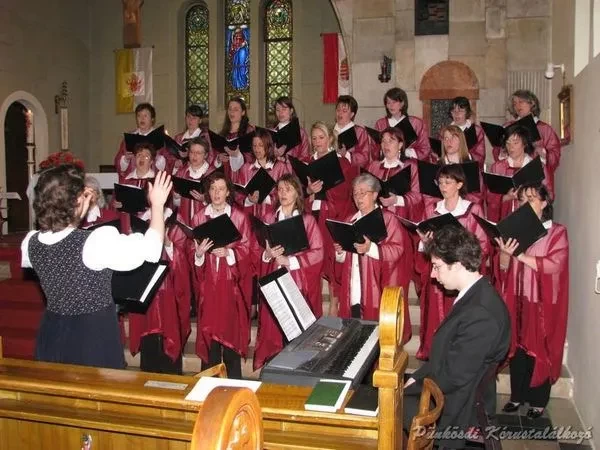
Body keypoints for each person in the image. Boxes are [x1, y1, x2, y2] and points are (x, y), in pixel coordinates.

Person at [21, 165, 173, 369]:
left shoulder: (30, 242)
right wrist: (157, 205)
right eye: (83, 195)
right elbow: (152, 250)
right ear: (76, 202)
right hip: (91, 337)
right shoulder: (95, 242)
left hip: (51, 333)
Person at [403, 225, 510, 449]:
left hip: (459, 409)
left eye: (437, 267)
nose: (433, 274)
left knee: (388, 409)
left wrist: (411, 388)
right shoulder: (475, 295)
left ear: (458, 264)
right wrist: (417, 376)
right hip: (454, 392)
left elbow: (454, 376)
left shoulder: (481, 313)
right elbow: (448, 355)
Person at [495, 183, 568, 419]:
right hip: (517, 298)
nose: (525, 204)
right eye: (522, 199)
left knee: (539, 349)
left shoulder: (556, 232)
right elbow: (503, 269)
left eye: (532, 199)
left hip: (541, 302)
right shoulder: (514, 230)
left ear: (544, 203)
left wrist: (521, 256)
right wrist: (504, 254)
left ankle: (537, 401)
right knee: (517, 349)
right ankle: (516, 396)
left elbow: (555, 264)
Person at [414, 164, 490, 360]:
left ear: (459, 184)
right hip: (438, 275)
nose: (443, 186)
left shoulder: (473, 210)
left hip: (462, 274)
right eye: (440, 182)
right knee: (436, 318)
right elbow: (423, 248)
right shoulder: (432, 210)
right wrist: (425, 242)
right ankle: (436, 356)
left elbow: (483, 244)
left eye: (448, 182)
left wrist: (460, 255)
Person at [182, 171, 253, 379]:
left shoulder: (239, 218)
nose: (216, 193)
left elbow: (248, 249)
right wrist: (198, 254)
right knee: (209, 341)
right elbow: (189, 249)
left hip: (231, 288)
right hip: (208, 287)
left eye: (221, 189)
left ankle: (234, 386)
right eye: (213, 189)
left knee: (230, 343)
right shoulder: (199, 217)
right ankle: (208, 387)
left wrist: (229, 253)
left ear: (228, 192)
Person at [254, 174, 324, 369]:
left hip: (298, 283)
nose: (283, 193)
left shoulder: (307, 220)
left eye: (288, 189)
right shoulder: (269, 219)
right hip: (273, 283)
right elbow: (256, 250)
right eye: (280, 189)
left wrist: (290, 261)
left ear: (297, 193)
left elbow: (318, 252)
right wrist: (267, 254)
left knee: (296, 336)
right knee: (274, 331)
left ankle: (298, 375)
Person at [333, 174, 408, 341]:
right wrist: (340, 251)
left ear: (374, 194)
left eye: (362, 193)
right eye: (355, 193)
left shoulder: (388, 219)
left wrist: (371, 248)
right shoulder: (349, 220)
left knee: (376, 339)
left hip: (377, 287)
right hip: (353, 287)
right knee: (352, 336)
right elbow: (343, 259)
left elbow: (397, 250)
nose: (358, 197)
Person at [305, 121, 357, 317]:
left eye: (321, 137)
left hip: (333, 214)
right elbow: (298, 192)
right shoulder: (307, 162)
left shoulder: (342, 162)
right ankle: (313, 305)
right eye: (314, 138)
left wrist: (325, 190)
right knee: (313, 259)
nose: (317, 141)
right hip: (312, 216)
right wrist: (309, 191)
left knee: (332, 261)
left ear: (330, 139)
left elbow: (347, 192)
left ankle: (334, 305)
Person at [492, 90, 561, 189]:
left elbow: (555, 155)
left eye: (521, 102)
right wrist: (501, 152)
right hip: (510, 174)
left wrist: (543, 153)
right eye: (514, 103)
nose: (517, 106)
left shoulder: (545, 129)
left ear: (532, 103)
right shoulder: (507, 127)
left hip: (535, 177)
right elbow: (496, 151)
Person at [485, 126, 552, 223]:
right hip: (504, 217)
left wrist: (530, 196)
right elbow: (489, 197)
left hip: (531, 217)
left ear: (524, 143)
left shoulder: (538, 166)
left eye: (515, 143)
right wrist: (507, 197)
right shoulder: (497, 167)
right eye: (508, 143)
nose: (511, 147)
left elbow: (549, 194)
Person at [231, 128, 290, 221]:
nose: (257, 149)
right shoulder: (246, 168)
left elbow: (289, 192)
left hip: (273, 217)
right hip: (250, 217)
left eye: (260, 145)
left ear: (268, 146)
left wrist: (265, 198)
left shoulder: (280, 167)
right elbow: (237, 194)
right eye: (254, 145)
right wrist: (249, 200)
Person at [113, 103, 173, 178]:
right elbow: (119, 166)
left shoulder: (162, 139)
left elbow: (169, 165)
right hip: (133, 181)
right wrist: (126, 159)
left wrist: (158, 158)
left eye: (145, 116)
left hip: (154, 180)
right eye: (139, 116)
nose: (142, 119)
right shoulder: (129, 139)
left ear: (152, 119)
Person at [374, 87, 431, 160]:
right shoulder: (380, 124)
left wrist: (405, 152)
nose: (391, 105)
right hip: (388, 162)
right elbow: (375, 149)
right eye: (388, 103)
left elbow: (425, 149)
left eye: (394, 102)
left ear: (402, 103)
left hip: (410, 162)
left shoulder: (417, 123)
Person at [173, 137, 217, 225]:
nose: (194, 156)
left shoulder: (213, 174)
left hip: (205, 222)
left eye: (198, 153)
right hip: (184, 221)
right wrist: (176, 197)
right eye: (192, 152)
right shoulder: (181, 173)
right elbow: (177, 205)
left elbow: (221, 202)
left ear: (206, 155)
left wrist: (205, 199)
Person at [216, 97, 255, 170]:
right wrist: (218, 158)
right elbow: (214, 154)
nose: (232, 112)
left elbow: (255, 155)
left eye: (236, 109)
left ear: (243, 112)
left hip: (243, 173)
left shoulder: (250, 131)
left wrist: (238, 155)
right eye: (230, 109)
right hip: (225, 172)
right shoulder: (222, 133)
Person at [334, 95, 374, 167]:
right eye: (338, 110)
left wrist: (346, 154)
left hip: (351, 171)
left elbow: (365, 158)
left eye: (344, 111)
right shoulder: (329, 131)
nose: (340, 113)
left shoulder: (359, 132)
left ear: (352, 114)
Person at [446, 96, 486, 167]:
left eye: (460, 111)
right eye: (454, 111)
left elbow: (480, 156)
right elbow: (440, 154)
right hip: (450, 168)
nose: (457, 114)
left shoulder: (476, 131)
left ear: (467, 112)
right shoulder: (446, 131)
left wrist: (464, 154)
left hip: (469, 167)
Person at [271, 96, 311, 163]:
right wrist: (273, 154)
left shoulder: (301, 132)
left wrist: (287, 160)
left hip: (292, 168)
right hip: (275, 168)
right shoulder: (271, 132)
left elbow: (305, 157)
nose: (280, 113)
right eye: (277, 110)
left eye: (284, 109)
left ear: (291, 111)